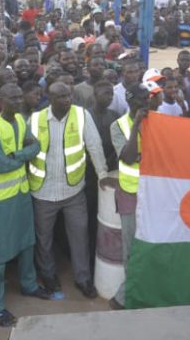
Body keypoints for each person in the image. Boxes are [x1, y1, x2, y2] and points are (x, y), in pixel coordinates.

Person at [0, 83, 52, 328]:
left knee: (26, 243)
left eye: (20, 96)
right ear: (1, 100)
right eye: (13, 97)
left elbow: (36, 145)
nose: (19, 101)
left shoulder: (20, 119)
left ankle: (29, 285)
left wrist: (16, 155)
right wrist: (21, 156)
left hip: (20, 193)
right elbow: (1, 166)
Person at [28, 82, 109, 299]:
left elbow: (94, 146)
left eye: (68, 95)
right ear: (49, 97)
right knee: (43, 238)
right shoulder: (35, 119)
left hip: (73, 191)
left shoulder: (81, 116)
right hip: (42, 192)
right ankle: (48, 275)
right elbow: (25, 150)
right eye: (61, 97)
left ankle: (82, 278)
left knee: (79, 235)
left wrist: (102, 175)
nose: (67, 100)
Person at [109, 81, 162, 309]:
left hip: (155, 192)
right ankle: (126, 295)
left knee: (154, 243)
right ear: (130, 102)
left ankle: (143, 289)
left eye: (147, 99)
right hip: (130, 193)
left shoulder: (159, 122)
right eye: (141, 99)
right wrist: (137, 125)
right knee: (131, 248)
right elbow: (129, 157)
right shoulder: (118, 126)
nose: (146, 103)